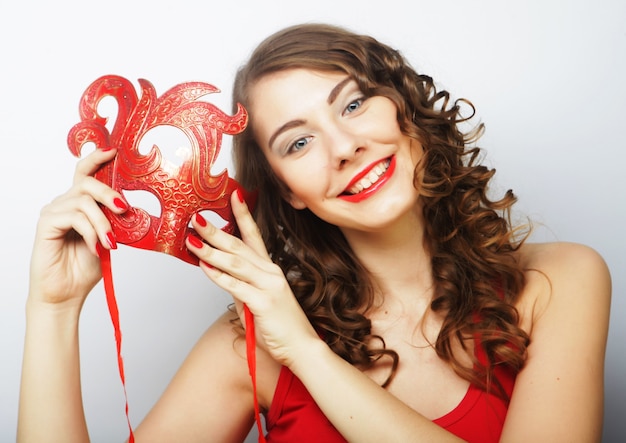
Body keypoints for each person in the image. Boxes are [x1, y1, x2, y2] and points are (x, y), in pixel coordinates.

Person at [18, 23, 611, 443]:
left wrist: (304, 351)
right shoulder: (246, 348)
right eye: (298, 142)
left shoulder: (558, 280)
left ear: (404, 109)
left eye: (353, 105)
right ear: (287, 192)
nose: (345, 146)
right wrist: (54, 307)